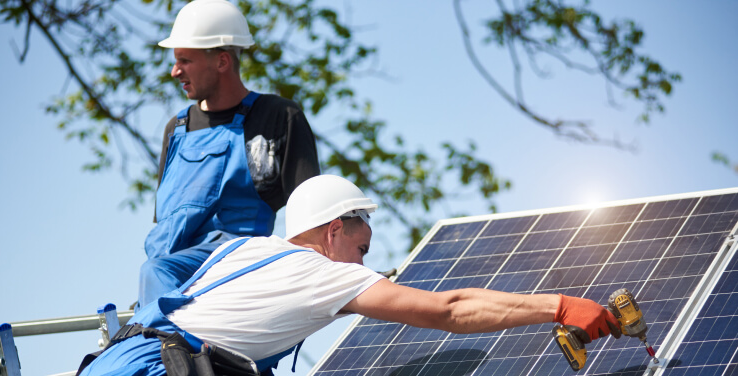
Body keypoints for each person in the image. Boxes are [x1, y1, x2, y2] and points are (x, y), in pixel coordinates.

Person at [81, 175, 620, 376]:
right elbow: (450, 310)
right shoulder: (321, 273)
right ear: (333, 229)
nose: (363, 265)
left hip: (116, 361)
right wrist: (557, 305)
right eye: (360, 248)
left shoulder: (244, 250)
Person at [139, 0, 321, 307]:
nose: (174, 71)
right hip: (171, 282)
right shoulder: (176, 130)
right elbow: (164, 223)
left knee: (157, 272)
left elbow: (313, 217)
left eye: (185, 60)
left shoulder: (277, 118)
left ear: (222, 61)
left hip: (239, 274)